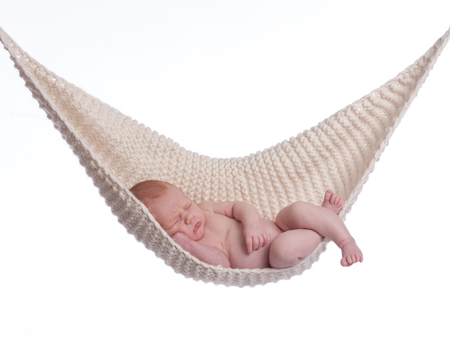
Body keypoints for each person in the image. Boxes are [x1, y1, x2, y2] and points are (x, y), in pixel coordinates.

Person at [130, 180, 363, 269]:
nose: (190, 216)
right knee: (282, 250)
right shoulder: (189, 249)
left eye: (187, 205)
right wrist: (190, 247)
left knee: (297, 209)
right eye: (177, 220)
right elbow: (222, 264)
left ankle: (345, 240)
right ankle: (322, 223)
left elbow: (237, 206)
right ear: (161, 234)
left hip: (277, 224)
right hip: (276, 256)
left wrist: (251, 223)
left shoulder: (205, 208)